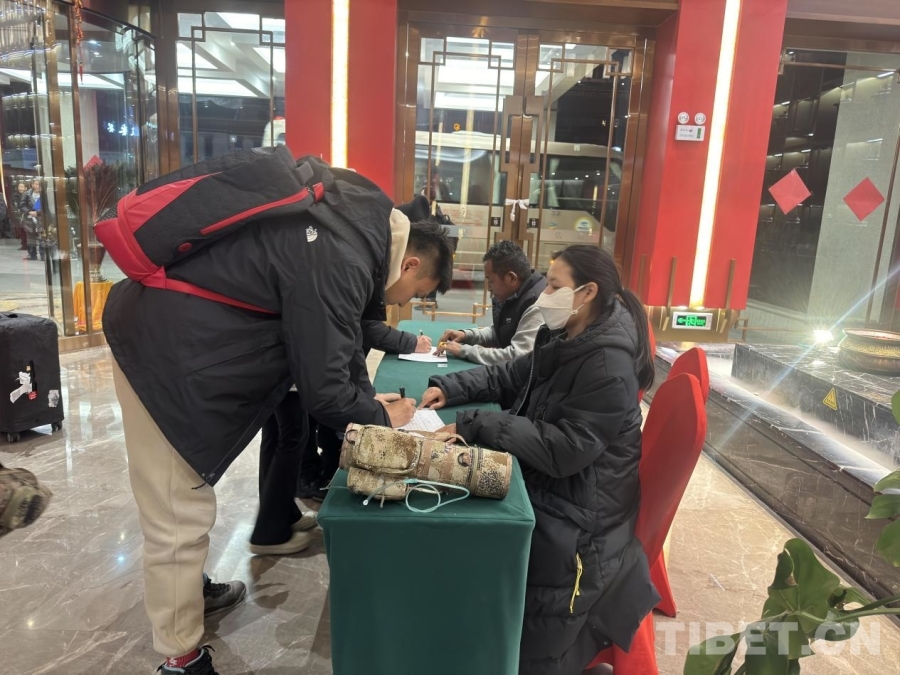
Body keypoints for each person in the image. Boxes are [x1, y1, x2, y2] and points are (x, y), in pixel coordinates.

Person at [105, 161, 454, 675]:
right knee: (178, 511)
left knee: (185, 500)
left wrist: (373, 405)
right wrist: (383, 417)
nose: (409, 303)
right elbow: (325, 390)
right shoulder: (343, 254)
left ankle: (188, 590)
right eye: (419, 292)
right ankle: (180, 658)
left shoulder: (353, 232)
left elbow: (344, 344)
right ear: (411, 264)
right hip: (160, 352)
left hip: (183, 340)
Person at [420, 245, 659, 675]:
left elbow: (563, 450)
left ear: (587, 292)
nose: (544, 295)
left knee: (462, 523)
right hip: (558, 488)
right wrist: (451, 389)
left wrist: (477, 423)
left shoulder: (607, 365)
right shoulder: (567, 336)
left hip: (581, 517)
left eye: (553, 286)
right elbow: (513, 373)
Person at [252, 319, 433, 555]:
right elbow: (353, 332)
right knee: (290, 436)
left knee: (282, 432)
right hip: (287, 352)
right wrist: (368, 400)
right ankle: (269, 532)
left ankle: (281, 515)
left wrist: (366, 397)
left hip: (282, 350)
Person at [437, 239, 546, 365]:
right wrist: (466, 335)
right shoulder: (515, 295)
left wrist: (464, 350)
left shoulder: (537, 304)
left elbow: (518, 357)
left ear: (511, 278)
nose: (489, 288)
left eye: (491, 281)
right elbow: (498, 332)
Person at [12, 181, 28, 251]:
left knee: (27, 231)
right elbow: (13, 205)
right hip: (18, 215)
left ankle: (29, 245)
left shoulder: (28, 195)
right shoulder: (15, 196)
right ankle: (24, 244)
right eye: (19, 186)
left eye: (22, 187)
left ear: (25, 188)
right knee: (21, 231)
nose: (20, 188)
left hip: (26, 215)